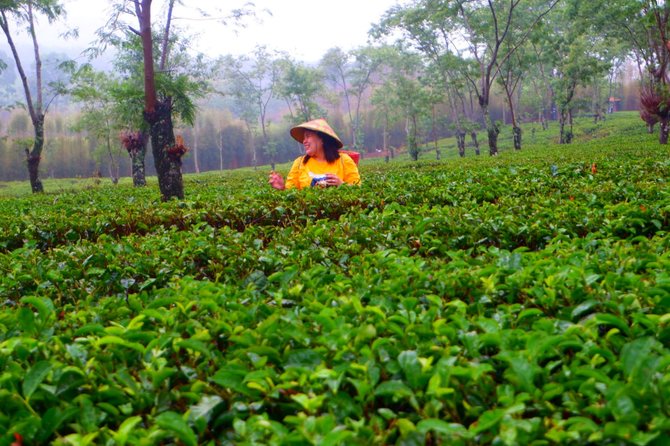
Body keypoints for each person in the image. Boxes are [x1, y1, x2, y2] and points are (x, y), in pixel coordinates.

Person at [269, 118, 360, 190]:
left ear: (322, 139)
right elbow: (291, 194)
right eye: (304, 138)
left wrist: (342, 185)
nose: (304, 141)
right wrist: (282, 188)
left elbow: (358, 190)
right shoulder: (299, 163)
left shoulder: (344, 160)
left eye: (308, 136)